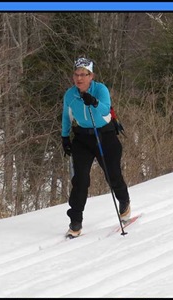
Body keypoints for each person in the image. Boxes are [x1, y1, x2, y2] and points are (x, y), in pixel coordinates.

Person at [61, 57, 131, 238]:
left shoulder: (100, 90)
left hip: (105, 136)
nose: (79, 79)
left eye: (83, 75)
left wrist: (94, 101)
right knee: (80, 180)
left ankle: (124, 201)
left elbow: (106, 110)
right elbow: (66, 116)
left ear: (91, 76)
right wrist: (64, 137)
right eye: (76, 74)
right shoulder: (70, 95)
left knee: (112, 175)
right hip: (82, 138)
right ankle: (75, 221)